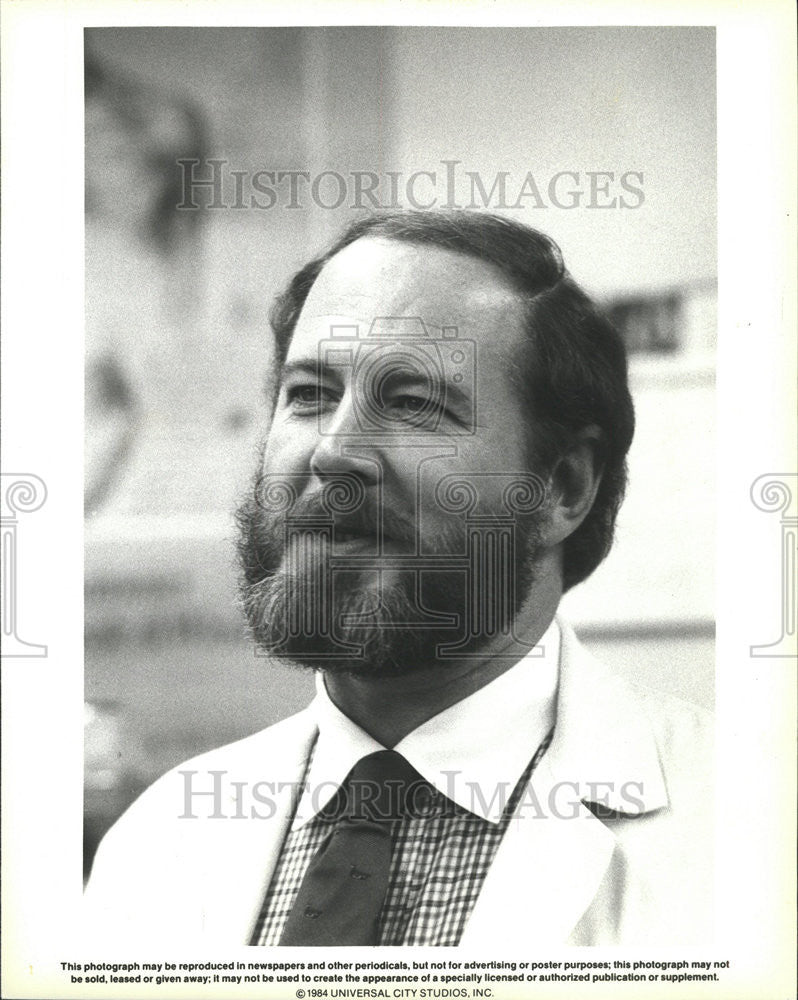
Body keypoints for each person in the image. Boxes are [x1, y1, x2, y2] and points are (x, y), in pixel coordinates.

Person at [84, 211, 712, 947]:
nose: (333, 452)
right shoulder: (158, 841)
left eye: (414, 404)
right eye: (310, 395)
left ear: (563, 487)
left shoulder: (743, 829)